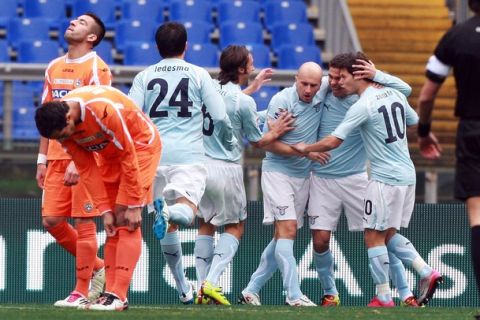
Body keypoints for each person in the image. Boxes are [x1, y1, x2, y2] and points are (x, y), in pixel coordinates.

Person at [292, 52, 443, 307]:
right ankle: (412, 280)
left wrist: (304, 148)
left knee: (374, 237)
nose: (337, 82)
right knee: (386, 234)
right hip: (407, 175)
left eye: (343, 77)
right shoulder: (393, 93)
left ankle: (399, 288)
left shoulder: (362, 105)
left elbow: (333, 141)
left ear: (358, 75)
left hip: (383, 178)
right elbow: (414, 120)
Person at [128, 21, 235, 304]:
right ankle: (170, 213)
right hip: (188, 156)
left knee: (169, 227)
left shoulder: (144, 76)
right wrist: (229, 141)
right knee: (186, 211)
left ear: (157, 48)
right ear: (186, 46)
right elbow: (221, 116)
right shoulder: (199, 75)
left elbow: (131, 115)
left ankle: (184, 290)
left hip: (153, 157)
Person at [35, 85, 161, 311]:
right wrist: (103, 210)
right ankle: (110, 295)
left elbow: (128, 154)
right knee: (112, 222)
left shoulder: (102, 111)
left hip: (140, 148)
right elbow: (87, 168)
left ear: (69, 116)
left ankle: (118, 295)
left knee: (126, 219)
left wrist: (134, 203)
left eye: (64, 134)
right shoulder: (64, 129)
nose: (66, 139)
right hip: (109, 155)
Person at [193, 45, 295, 305]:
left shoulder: (207, 90)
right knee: (235, 226)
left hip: (200, 166)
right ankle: (211, 283)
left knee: (206, 223)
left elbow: (228, 110)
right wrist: (277, 129)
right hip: (225, 168)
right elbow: (258, 140)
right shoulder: (244, 101)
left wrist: (253, 87)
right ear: (241, 68)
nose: (253, 65)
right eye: (250, 62)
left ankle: (200, 289)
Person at [35, 12, 111, 307]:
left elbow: (95, 114)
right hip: (55, 154)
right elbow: (46, 115)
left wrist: (78, 160)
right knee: (52, 220)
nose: (72, 23)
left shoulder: (97, 68)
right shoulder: (53, 66)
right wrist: (42, 158)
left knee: (84, 220)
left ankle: (80, 292)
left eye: (81, 23)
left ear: (92, 37)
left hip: (85, 155)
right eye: (73, 21)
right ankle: (100, 268)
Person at [239, 61, 330, 307]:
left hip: (303, 177)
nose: (309, 89)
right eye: (304, 84)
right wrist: (305, 153)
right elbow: (267, 144)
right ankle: (293, 294)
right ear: (296, 80)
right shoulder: (282, 102)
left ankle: (251, 289)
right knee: (288, 230)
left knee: (282, 236)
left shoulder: (324, 93)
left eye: (314, 85)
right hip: (277, 173)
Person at [417, 0, 480, 296]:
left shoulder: (456, 37)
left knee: (478, 215)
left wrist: (425, 131)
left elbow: (427, 96)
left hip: (473, 130)